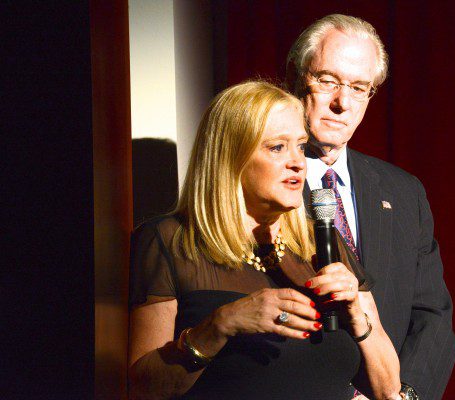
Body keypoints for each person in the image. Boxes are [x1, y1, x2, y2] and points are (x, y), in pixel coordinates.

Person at [127, 81, 402, 400]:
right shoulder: (170, 241)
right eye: (277, 147)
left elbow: (388, 390)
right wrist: (220, 325)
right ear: (231, 157)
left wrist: (357, 317)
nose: (298, 162)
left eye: (301, 146)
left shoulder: (321, 242)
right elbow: (141, 390)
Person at [286, 15, 455, 400]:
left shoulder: (404, 192)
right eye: (327, 80)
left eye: (358, 87)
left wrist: (403, 395)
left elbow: (432, 316)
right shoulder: (262, 183)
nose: (341, 103)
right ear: (296, 77)